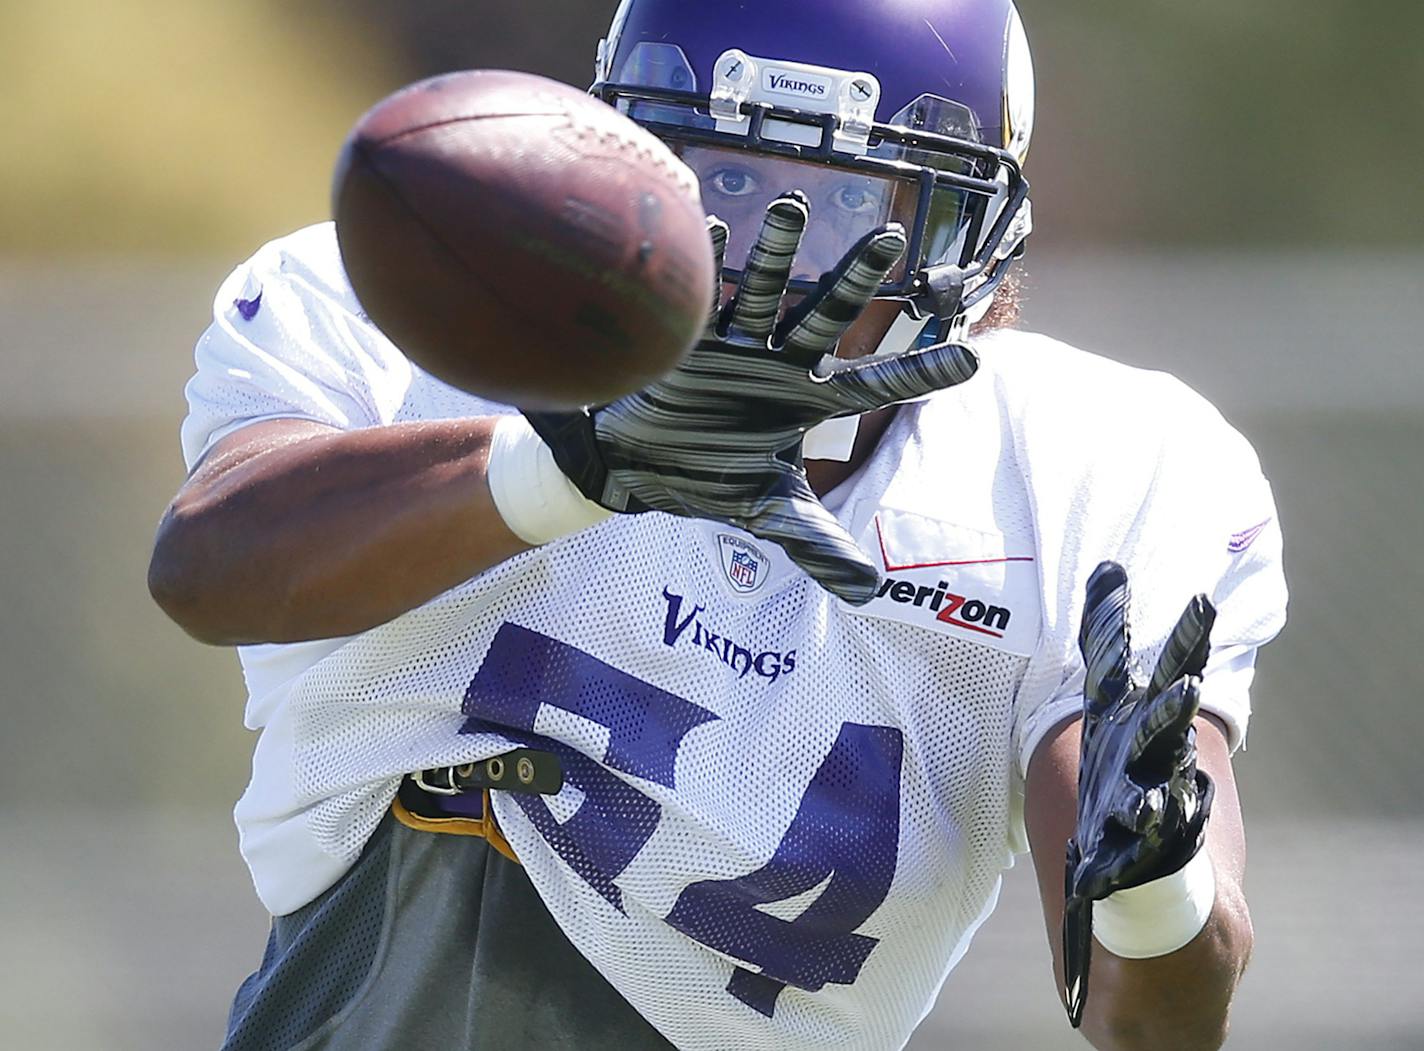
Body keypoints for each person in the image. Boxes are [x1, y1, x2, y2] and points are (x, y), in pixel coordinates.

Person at [147, 2, 1287, 1049]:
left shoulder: (1087, 471)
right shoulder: (427, 310)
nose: (768, 265)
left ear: (960, 236)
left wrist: (1151, 882)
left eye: (845, 201)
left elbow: (1157, 1027)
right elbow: (210, 564)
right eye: (723, 184)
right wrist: (569, 465)